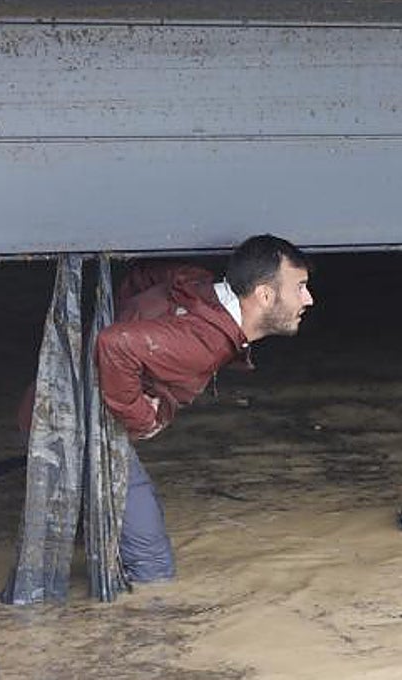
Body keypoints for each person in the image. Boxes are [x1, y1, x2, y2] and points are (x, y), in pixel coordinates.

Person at [18, 234, 314, 582]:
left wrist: (138, 326)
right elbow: (114, 344)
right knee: (152, 565)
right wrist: (143, 419)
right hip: (69, 426)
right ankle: (144, 628)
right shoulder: (201, 342)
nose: (308, 298)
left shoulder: (197, 282)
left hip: (57, 404)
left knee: (125, 524)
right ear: (265, 295)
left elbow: (140, 277)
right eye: (300, 287)